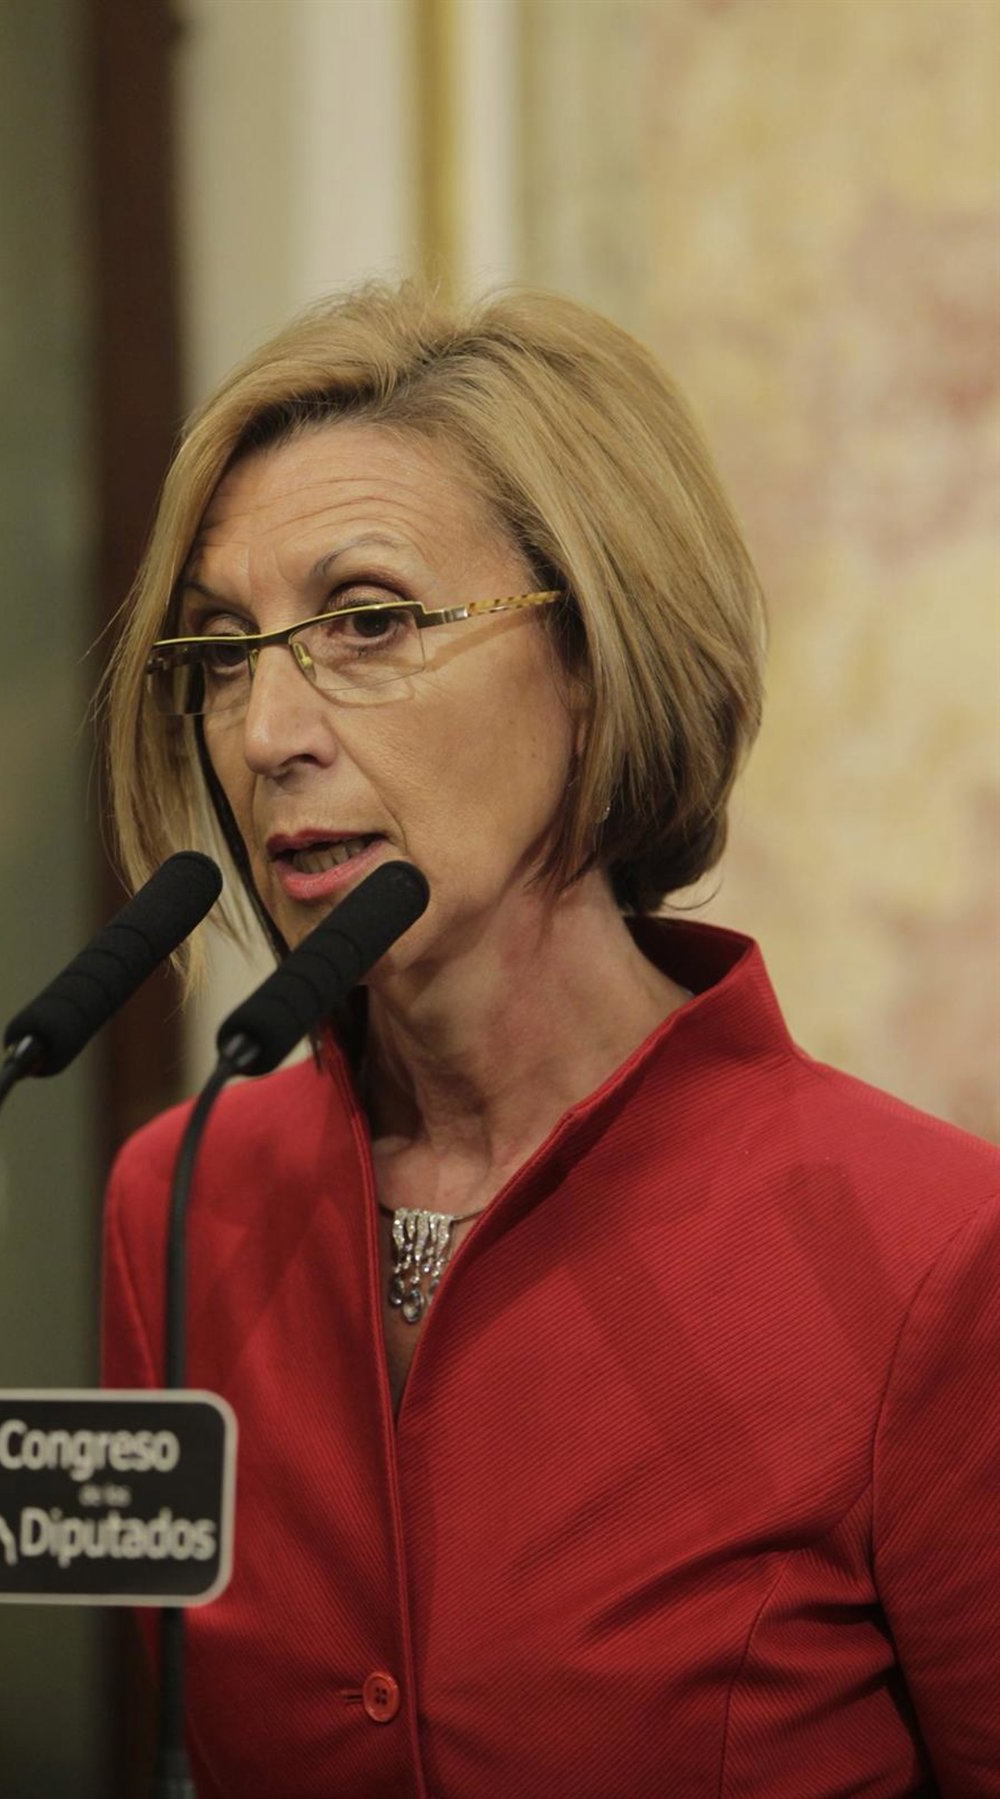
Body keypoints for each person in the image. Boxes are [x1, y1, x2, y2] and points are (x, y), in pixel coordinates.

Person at [101, 282, 999, 1798]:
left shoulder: (935, 1254)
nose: (265, 734)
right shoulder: (179, 1207)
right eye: (227, 650)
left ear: (595, 658)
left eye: (368, 621)